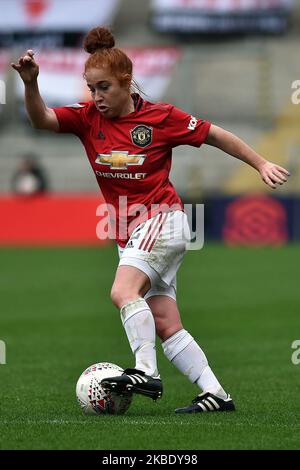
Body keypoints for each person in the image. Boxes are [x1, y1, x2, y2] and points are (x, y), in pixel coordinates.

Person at [11, 27, 290, 414]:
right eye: (91, 89)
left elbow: (214, 135)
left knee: (122, 293)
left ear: (126, 83)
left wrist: (260, 163)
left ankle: (146, 371)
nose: (97, 97)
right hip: (130, 234)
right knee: (165, 322)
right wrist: (30, 83)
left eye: (104, 87)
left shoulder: (161, 117)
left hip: (162, 219)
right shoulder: (88, 119)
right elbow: (41, 119)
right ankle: (217, 394)